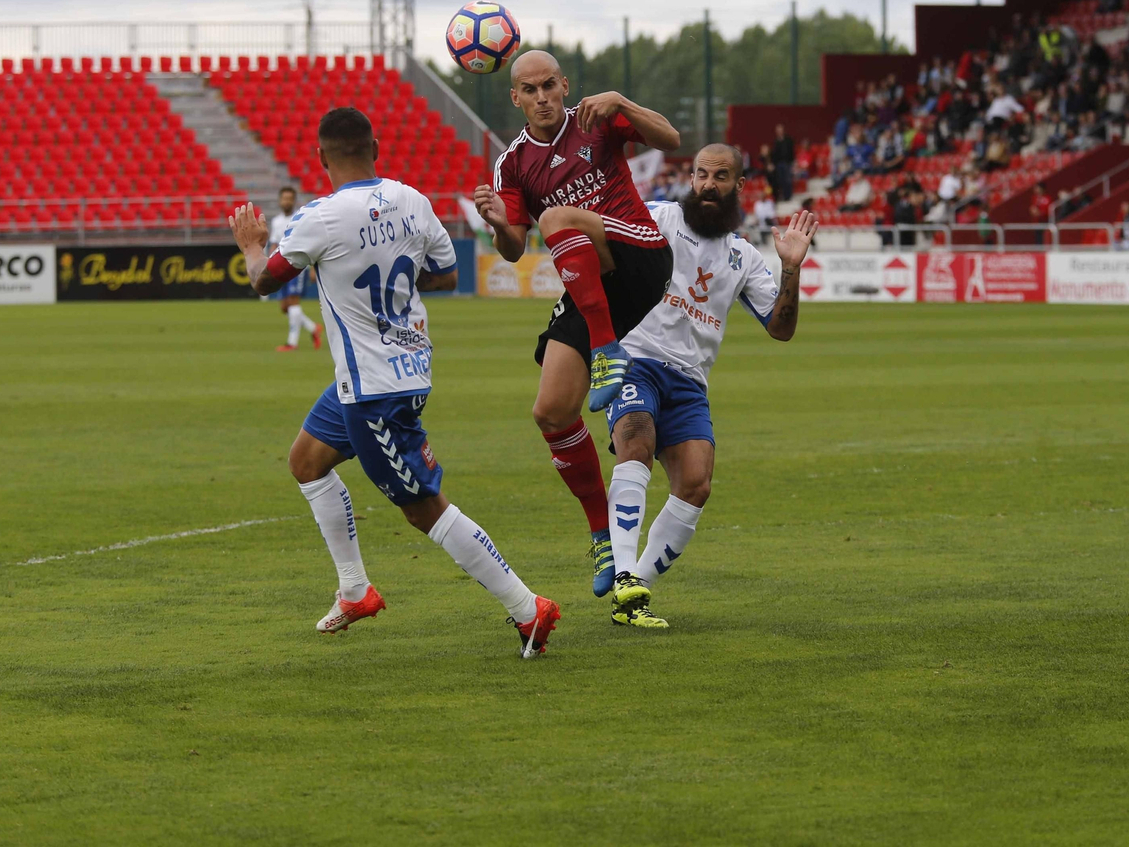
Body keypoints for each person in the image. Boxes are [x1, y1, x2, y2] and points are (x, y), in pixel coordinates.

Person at [229, 107, 561, 658]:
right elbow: (448, 273)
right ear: (376, 147)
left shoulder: (320, 217)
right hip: (388, 373)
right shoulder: (413, 199)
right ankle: (355, 589)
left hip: (376, 391)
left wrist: (250, 244)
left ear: (321, 157)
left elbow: (265, 280)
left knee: (423, 507)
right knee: (306, 462)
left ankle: (528, 608)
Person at [472, 50, 680, 598]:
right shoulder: (512, 164)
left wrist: (625, 104)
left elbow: (671, 139)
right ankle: (603, 534)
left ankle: (608, 350)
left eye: (549, 86)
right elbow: (515, 249)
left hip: (641, 253)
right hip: (593, 284)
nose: (542, 98)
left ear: (564, 85)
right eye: (529, 90)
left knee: (558, 217)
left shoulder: (597, 117)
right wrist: (497, 224)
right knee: (551, 410)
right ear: (514, 97)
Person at [600, 144, 816, 628]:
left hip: (690, 381)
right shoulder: (657, 218)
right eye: (700, 174)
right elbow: (600, 240)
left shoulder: (744, 256)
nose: (708, 184)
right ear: (690, 178)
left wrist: (791, 267)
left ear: (739, 186)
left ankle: (633, 594)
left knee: (696, 484)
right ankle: (622, 573)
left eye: (720, 176)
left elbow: (781, 328)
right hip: (636, 358)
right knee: (634, 440)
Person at [266, 185, 322, 353]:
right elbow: (274, 244)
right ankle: (313, 328)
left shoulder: (300, 218)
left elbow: (311, 243)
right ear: (280, 201)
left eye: (290, 199)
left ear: (294, 201)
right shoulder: (276, 222)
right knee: (285, 307)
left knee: (293, 302)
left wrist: (312, 267)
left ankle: (292, 343)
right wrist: (269, 263)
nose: (287, 202)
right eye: (284, 198)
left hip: (297, 266)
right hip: (281, 267)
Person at [770, 124, 796, 203]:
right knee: (781, 180)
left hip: (787, 163)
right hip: (779, 164)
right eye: (778, 131)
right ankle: (783, 196)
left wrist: (793, 162)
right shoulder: (775, 142)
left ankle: (788, 196)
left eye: (780, 130)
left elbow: (792, 152)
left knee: (788, 179)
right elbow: (774, 154)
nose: (779, 132)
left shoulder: (788, 140)